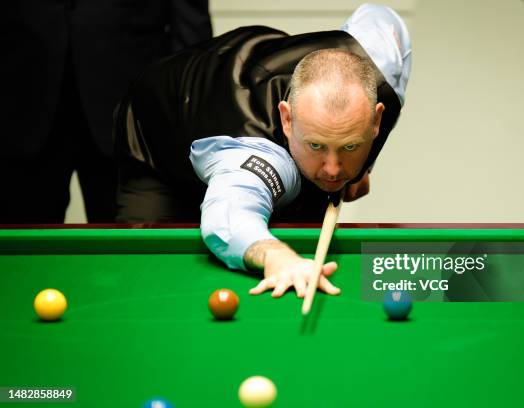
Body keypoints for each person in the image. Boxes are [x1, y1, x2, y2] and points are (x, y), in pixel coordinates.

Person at [114, 4, 412, 297]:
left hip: (251, 65)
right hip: (158, 132)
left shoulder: (381, 62)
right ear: (286, 118)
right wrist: (276, 257)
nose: (334, 169)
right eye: (316, 145)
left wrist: (363, 165)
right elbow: (229, 216)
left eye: (349, 145)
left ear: (375, 120)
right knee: (145, 278)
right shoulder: (259, 153)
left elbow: (381, 16)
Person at [0, 0, 212, 223]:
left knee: (130, 248)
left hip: (132, 112)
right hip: (18, 103)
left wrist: (183, 110)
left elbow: (191, 29)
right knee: (19, 245)